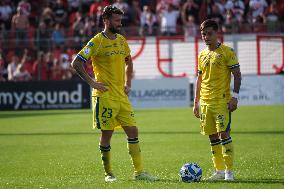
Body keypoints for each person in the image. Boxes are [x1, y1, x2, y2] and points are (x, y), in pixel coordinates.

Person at [71, 5, 159, 182]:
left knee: (133, 131)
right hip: (105, 97)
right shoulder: (96, 42)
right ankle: (109, 174)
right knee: (107, 134)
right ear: (106, 20)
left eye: (121, 20)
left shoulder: (121, 40)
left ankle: (139, 172)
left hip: (121, 96)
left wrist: (128, 83)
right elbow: (76, 63)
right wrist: (93, 83)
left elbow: (129, 62)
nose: (120, 23)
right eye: (116, 20)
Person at [193, 19, 241, 181]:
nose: (206, 37)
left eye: (209, 33)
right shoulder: (202, 54)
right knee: (212, 136)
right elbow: (200, 79)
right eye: (203, 34)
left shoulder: (227, 51)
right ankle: (219, 171)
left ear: (217, 33)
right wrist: (196, 102)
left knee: (223, 134)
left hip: (221, 102)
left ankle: (229, 172)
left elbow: (237, 75)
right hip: (205, 102)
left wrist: (235, 97)